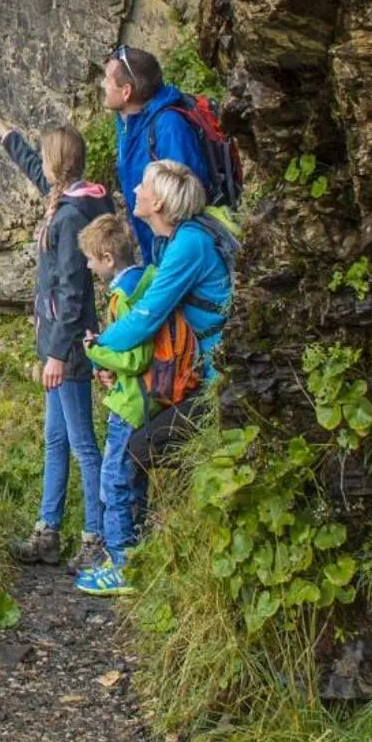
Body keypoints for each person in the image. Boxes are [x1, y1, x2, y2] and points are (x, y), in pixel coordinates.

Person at [76, 159, 238, 594]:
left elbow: (146, 317)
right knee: (142, 445)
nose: (136, 192)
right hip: (208, 374)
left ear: (160, 202)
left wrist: (99, 349)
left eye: (144, 187)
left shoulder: (187, 245)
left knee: (137, 447)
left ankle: (129, 563)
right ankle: (141, 552)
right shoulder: (192, 233)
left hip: (217, 381)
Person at [0, 100, 113, 570]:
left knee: (82, 442)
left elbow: (72, 293)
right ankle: (47, 531)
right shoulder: (68, 199)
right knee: (56, 440)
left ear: (58, 164)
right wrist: (0, 126)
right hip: (58, 343)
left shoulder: (72, 216)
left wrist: (55, 355)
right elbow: (36, 170)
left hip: (68, 347)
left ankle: (96, 538)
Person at [75, 213, 149, 596]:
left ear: (106, 258)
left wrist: (97, 352)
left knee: (114, 481)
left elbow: (136, 360)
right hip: (134, 398)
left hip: (130, 405)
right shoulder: (141, 282)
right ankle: (135, 556)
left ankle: (121, 564)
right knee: (132, 481)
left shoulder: (125, 297)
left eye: (90, 258)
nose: (88, 265)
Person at [104, 46, 208, 264]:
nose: (103, 85)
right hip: (154, 247)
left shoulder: (169, 127)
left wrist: (170, 263)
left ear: (126, 92)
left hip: (178, 254)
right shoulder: (128, 122)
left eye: (107, 80)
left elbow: (183, 201)